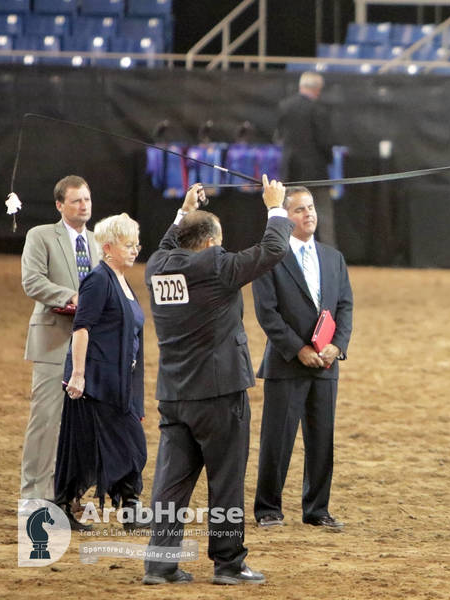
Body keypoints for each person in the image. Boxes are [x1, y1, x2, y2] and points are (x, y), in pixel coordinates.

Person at [142, 176, 291, 586]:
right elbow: (273, 249)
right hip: (219, 394)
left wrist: (182, 213)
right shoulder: (215, 266)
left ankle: (160, 564)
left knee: (171, 482)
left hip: (174, 393)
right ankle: (228, 564)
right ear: (210, 243)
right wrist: (274, 206)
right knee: (226, 479)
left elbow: (166, 245)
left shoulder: (157, 267)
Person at [252, 186, 353, 530]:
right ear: (286, 217)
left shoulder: (333, 257)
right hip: (287, 364)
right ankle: (268, 508)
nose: (309, 214)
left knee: (322, 439)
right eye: (299, 210)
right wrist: (299, 349)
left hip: (326, 364)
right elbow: (267, 314)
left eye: (311, 208)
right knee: (277, 440)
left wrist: (337, 346)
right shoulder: (271, 258)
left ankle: (317, 510)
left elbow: (344, 307)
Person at [57, 213, 147, 532]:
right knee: (106, 446)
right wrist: (78, 375)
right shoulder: (98, 280)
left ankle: (130, 509)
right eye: (128, 244)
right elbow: (81, 328)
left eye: (136, 243)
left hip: (118, 382)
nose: (135, 250)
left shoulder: (122, 281)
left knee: (113, 445)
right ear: (107, 247)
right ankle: (68, 507)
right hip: (95, 382)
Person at [19, 175, 101, 509]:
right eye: (77, 200)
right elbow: (32, 281)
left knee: (81, 423)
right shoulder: (40, 236)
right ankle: (34, 494)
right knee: (46, 419)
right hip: (54, 338)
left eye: (87, 199)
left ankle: (69, 491)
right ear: (59, 205)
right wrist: (73, 296)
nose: (84, 206)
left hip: (90, 345)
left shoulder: (98, 242)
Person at [276, 71, 337, 248]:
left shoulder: (284, 106)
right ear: (318, 89)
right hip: (315, 171)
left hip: (291, 170)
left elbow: (279, 136)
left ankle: (283, 249)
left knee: (288, 211)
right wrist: (329, 160)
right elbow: (325, 141)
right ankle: (328, 253)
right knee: (322, 214)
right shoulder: (319, 110)